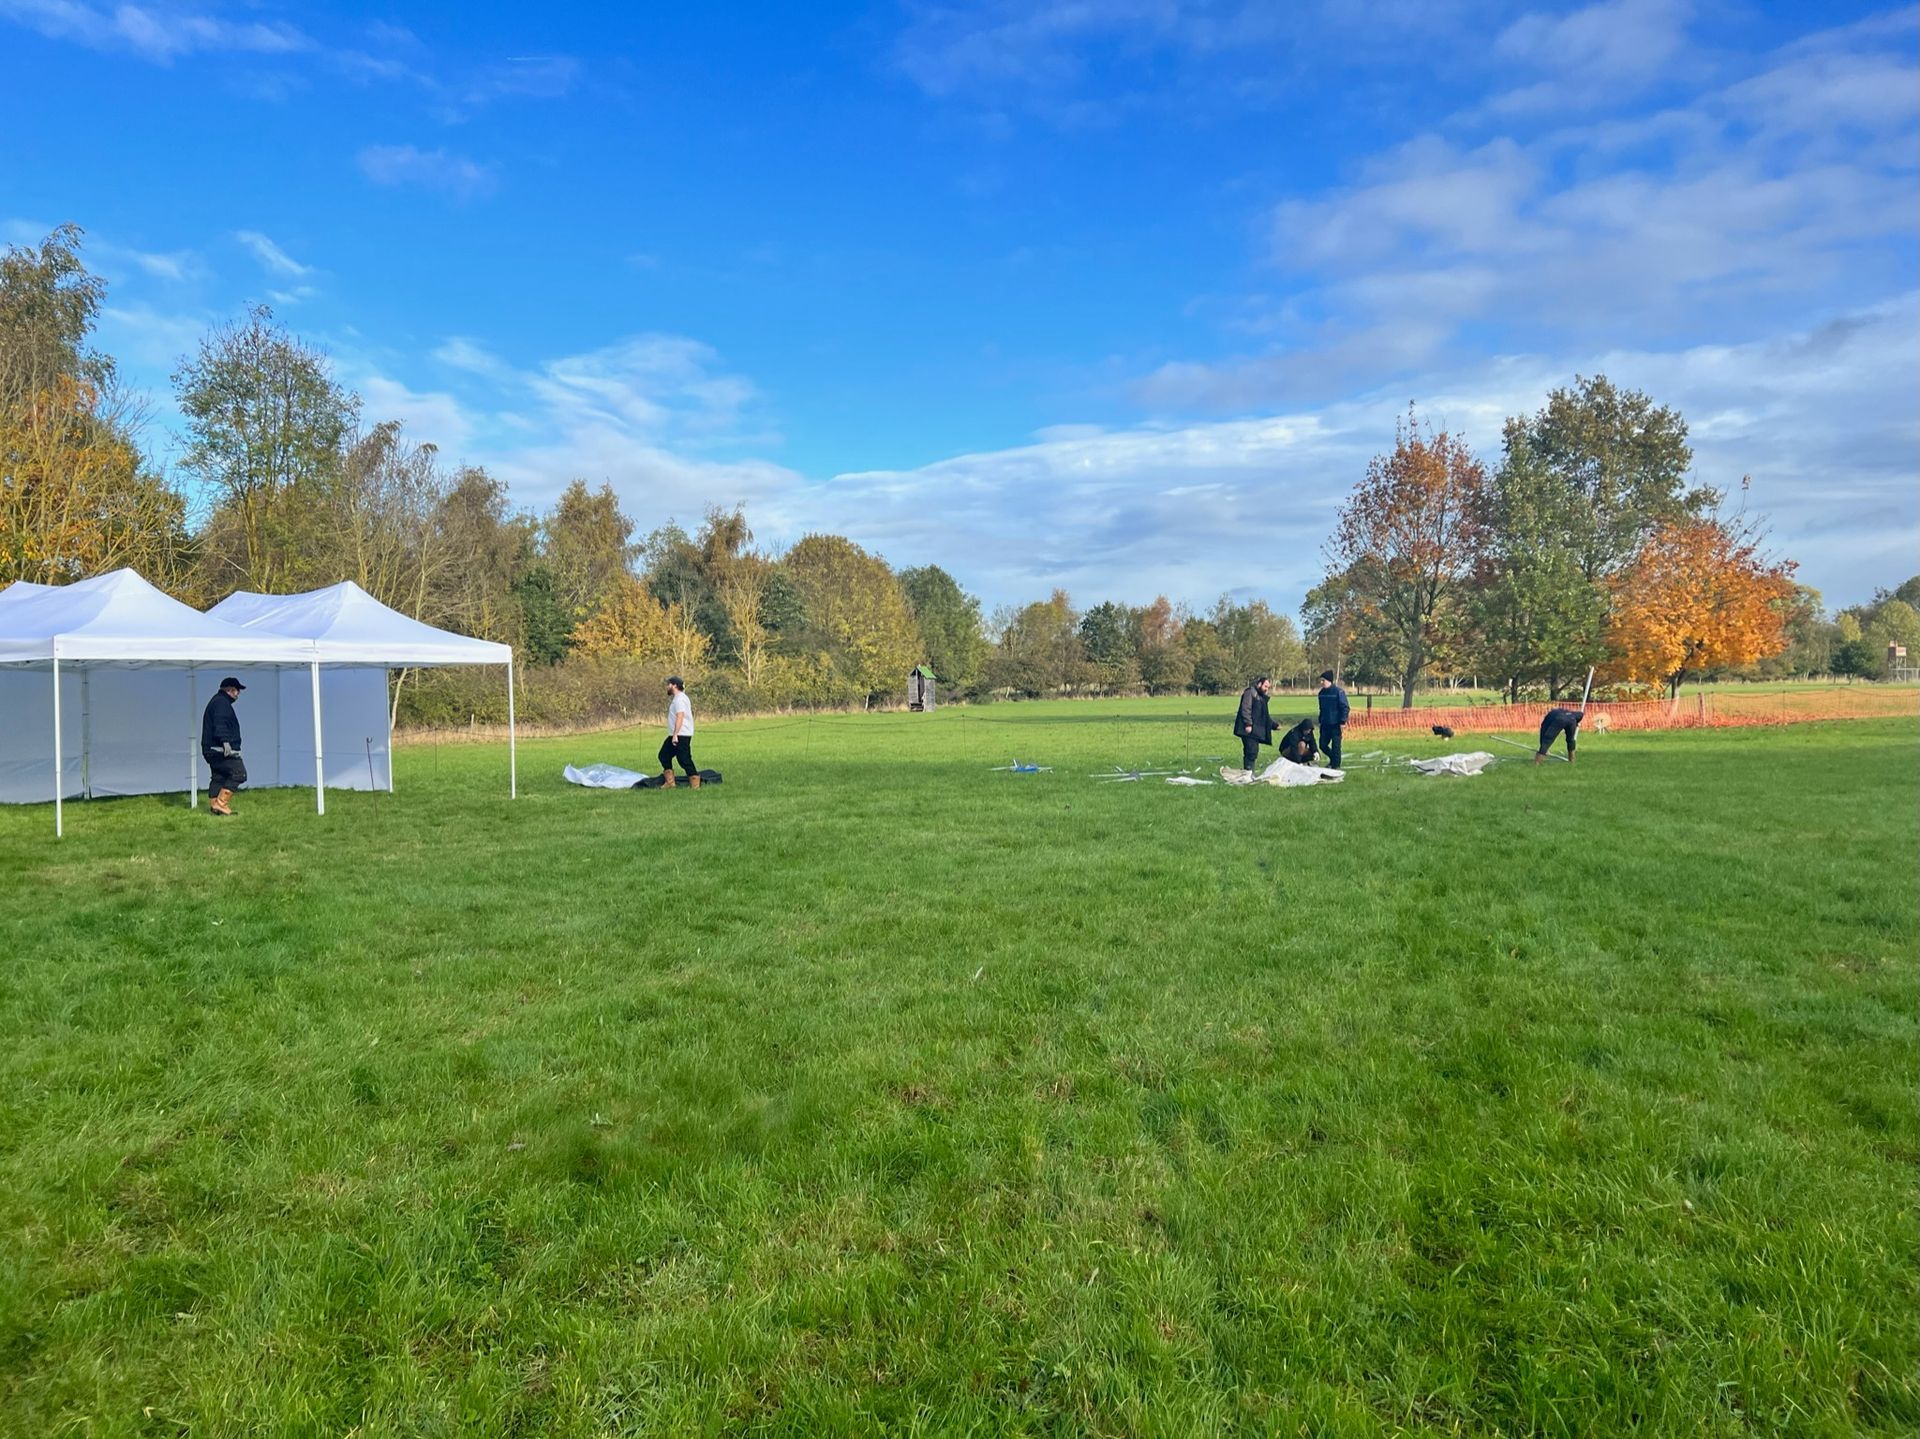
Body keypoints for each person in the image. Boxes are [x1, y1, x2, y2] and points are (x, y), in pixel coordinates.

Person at [200, 676, 247, 817]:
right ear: (230, 690)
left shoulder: (217, 701)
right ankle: (221, 803)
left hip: (211, 749)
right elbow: (219, 723)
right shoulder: (222, 703)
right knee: (239, 773)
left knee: (219, 776)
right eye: (237, 691)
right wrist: (226, 743)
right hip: (220, 749)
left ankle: (214, 806)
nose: (238, 694)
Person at [659, 676, 699, 789]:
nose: (667, 687)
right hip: (675, 734)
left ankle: (695, 783)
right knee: (664, 755)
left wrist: (676, 734)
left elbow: (680, 716)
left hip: (681, 734)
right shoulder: (677, 698)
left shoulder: (680, 699)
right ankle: (670, 782)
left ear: (674, 685)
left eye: (669, 684)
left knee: (684, 759)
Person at [1232, 676, 1275, 776]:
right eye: (1265, 686)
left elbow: (1264, 716)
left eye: (1268, 687)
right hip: (1247, 729)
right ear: (1259, 684)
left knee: (1253, 751)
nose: (1266, 689)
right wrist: (1248, 724)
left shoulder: (1261, 697)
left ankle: (1249, 772)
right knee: (1251, 750)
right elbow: (1245, 709)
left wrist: (1274, 725)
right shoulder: (1249, 693)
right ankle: (1248, 772)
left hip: (1254, 730)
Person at [1316, 670, 1350, 770]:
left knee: (1336, 747)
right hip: (1325, 724)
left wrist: (1342, 722)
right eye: (1321, 681)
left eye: (1323, 680)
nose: (1321, 683)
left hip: (1336, 724)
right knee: (1322, 745)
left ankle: (1336, 766)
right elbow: (1321, 708)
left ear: (1329, 681)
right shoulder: (1321, 693)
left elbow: (1345, 707)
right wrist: (1320, 720)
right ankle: (1333, 760)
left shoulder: (1339, 692)